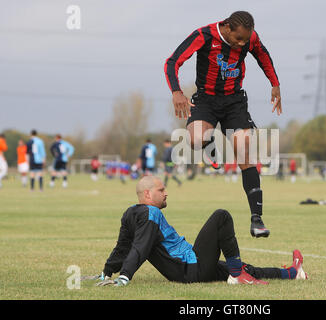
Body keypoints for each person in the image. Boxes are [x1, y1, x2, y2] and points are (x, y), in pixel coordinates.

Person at [164, 11, 281, 238]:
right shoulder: (204, 35)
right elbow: (172, 62)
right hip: (206, 100)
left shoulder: (250, 38)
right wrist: (177, 91)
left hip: (234, 101)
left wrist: (275, 84)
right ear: (226, 27)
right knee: (196, 140)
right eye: (238, 39)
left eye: (246, 40)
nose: (242, 44)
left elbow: (263, 57)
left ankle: (257, 219)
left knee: (245, 151)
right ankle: (211, 149)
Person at [84, 176, 307, 287]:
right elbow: (139, 247)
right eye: (161, 190)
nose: (166, 193)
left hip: (190, 268)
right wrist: (124, 277)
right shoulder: (151, 214)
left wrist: (107, 272)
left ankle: (292, 273)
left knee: (243, 267)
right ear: (148, 196)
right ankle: (238, 275)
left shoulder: (130, 214)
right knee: (222, 216)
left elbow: (124, 246)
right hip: (191, 268)